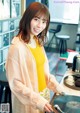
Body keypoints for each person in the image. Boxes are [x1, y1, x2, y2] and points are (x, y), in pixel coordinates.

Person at [5, 2, 64, 113]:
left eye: (43, 21)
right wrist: (37, 101)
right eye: (36, 19)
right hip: (29, 102)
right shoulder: (16, 47)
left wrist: (55, 85)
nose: (39, 25)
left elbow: (42, 72)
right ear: (28, 18)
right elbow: (15, 84)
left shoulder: (37, 41)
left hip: (44, 97)